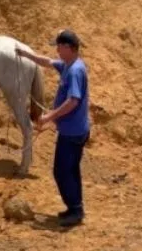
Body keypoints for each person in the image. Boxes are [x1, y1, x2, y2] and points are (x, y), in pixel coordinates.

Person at [16, 29, 91, 227]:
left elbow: (73, 101)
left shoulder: (74, 71)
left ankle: (75, 210)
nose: (56, 50)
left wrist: (49, 116)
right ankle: (75, 207)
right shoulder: (69, 65)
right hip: (75, 129)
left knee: (62, 171)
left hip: (72, 132)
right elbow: (47, 62)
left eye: (58, 46)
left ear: (68, 47)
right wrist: (25, 54)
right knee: (70, 170)